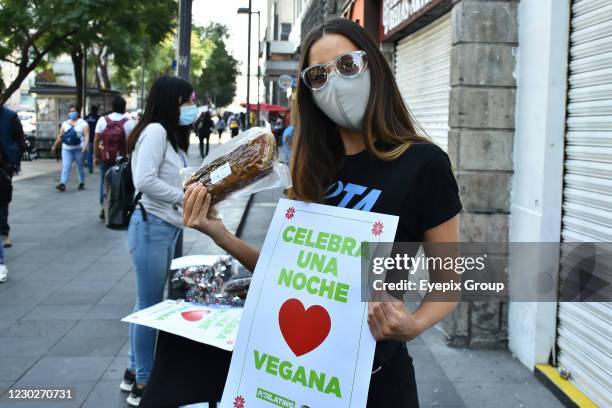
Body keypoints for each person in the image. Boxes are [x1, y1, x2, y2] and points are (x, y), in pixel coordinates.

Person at [182, 18, 462, 407]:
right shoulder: (311, 169)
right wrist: (220, 233)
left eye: (347, 65)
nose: (335, 83)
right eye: (317, 75)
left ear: (374, 67)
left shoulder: (423, 164)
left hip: (375, 382)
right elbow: (286, 277)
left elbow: (450, 284)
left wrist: (412, 325)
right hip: (296, 380)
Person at [122, 75, 195, 407]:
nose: (192, 106)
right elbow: (144, 180)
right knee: (149, 307)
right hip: (151, 226)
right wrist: (182, 196)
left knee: (148, 305)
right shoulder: (154, 132)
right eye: (187, 100)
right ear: (171, 101)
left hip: (166, 226)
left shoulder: (169, 136)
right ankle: (143, 382)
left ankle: (133, 370)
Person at [93, 96, 135, 218]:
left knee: (105, 181)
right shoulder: (129, 122)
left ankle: (104, 206)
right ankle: (120, 206)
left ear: (112, 107)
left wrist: (96, 156)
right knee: (122, 182)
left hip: (106, 158)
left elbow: (96, 140)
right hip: (122, 159)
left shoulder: (103, 120)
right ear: (124, 108)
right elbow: (132, 143)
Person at [0, 104, 26, 249]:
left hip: (4, 165)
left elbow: (20, 141)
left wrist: (12, 158)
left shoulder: (10, 117)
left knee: (2, 200)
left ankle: (4, 233)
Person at [51, 106, 89, 192]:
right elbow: (60, 136)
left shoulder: (83, 123)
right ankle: (62, 183)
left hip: (79, 148)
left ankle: (81, 182)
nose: (72, 113)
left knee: (80, 166)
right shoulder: (65, 124)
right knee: (66, 166)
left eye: (74, 111)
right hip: (67, 149)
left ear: (78, 113)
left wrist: (85, 146)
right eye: (70, 111)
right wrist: (55, 145)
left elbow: (86, 135)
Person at [84, 105, 100, 173]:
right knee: (97, 153)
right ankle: (99, 164)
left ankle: (90, 167)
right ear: (96, 110)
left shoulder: (86, 118)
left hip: (89, 139)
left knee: (89, 153)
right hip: (97, 138)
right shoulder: (98, 118)